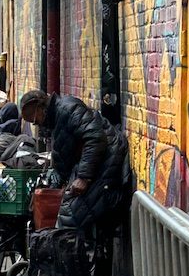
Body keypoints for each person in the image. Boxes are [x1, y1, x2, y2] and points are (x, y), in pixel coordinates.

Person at [20, 89, 128, 233]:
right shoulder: (57, 119)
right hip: (97, 164)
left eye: (35, 120)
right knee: (66, 210)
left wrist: (83, 177)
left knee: (69, 216)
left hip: (107, 161)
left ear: (40, 107)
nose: (38, 124)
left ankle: (80, 250)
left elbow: (95, 138)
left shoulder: (67, 109)